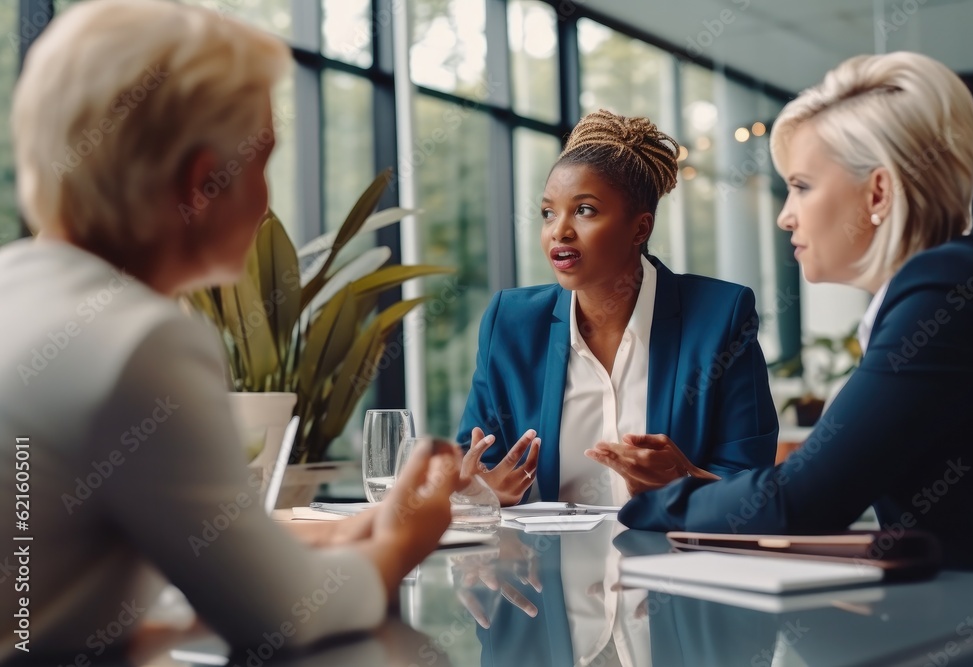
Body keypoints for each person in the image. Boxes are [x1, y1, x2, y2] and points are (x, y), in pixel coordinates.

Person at [0, 0, 462, 660]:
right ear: (201, 182)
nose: (268, 197)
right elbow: (284, 614)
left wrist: (338, 534)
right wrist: (404, 540)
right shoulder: (139, 341)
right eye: (260, 159)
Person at [619, 52, 973, 570]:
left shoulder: (948, 288)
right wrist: (694, 488)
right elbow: (826, 482)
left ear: (879, 192)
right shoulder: (944, 286)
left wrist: (645, 507)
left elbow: (803, 500)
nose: (784, 216)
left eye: (801, 186)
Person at [458, 110, 778, 507]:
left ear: (640, 229)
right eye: (548, 212)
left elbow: (753, 482)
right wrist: (484, 493)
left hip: (673, 564)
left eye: (585, 209)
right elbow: (470, 468)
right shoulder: (511, 322)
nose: (559, 230)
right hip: (540, 566)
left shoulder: (719, 316)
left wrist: (685, 481)